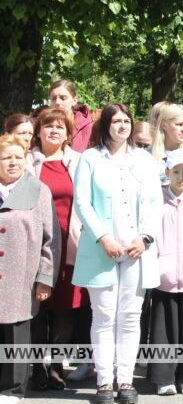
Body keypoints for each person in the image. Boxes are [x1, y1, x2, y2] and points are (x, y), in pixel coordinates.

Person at [72, 103, 163, 404]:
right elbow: (83, 203)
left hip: (137, 249)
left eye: (127, 121)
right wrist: (103, 238)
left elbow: (154, 202)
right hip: (103, 249)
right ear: (106, 125)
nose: (122, 126)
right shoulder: (90, 159)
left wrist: (146, 237)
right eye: (116, 121)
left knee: (130, 317)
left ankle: (125, 381)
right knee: (104, 315)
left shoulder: (144, 160)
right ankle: (103, 383)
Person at [29, 109, 88, 392]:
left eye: (60, 127)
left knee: (65, 309)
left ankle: (56, 366)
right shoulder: (28, 161)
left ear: (67, 134)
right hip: (35, 245)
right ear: (37, 131)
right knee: (37, 309)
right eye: (47, 126)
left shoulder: (77, 162)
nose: (53, 130)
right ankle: (37, 367)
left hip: (69, 243)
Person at [0, 134, 59, 402]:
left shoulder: (38, 190)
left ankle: (12, 389)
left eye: (18, 157)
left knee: (16, 334)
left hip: (20, 279)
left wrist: (45, 278)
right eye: (5, 158)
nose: (13, 162)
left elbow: (51, 239)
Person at [147, 149, 183, 395]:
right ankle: (164, 378)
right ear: (166, 172)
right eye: (176, 172)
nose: (181, 177)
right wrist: (156, 265)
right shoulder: (156, 199)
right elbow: (148, 233)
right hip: (163, 275)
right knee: (163, 329)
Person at [48, 79, 94, 152]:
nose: (57, 102)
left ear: (74, 100)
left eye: (63, 98)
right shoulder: (43, 126)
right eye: (53, 98)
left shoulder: (90, 128)